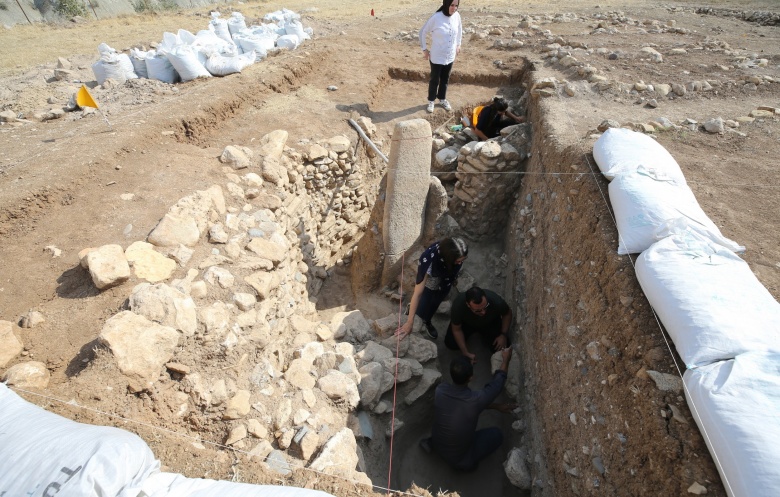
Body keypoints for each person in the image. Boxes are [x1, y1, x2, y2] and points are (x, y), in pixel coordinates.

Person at [421, 348, 513, 471]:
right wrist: (506, 359)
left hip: (438, 442)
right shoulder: (475, 400)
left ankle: (430, 443)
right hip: (459, 459)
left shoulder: (440, 390)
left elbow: (471, 404)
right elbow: (497, 384)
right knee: (497, 435)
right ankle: (465, 466)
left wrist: (496, 406)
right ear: (470, 378)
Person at [396, 237, 468, 340]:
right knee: (424, 301)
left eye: (462, 260)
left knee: (436, 301)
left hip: (446, 278)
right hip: (432, 277)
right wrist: (409, 322)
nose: (460, 263)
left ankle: (427, 321)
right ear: (448, 258)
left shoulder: (455, 251)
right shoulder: (429, 260)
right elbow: (418, 294)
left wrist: (452, 277)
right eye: (458, 261)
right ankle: (413, 311)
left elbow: (455, 266)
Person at [445, 286, 512, 364]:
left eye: (485, 307)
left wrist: (503, 334)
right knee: (451, 343)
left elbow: (507, 314)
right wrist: (465, 352)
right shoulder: (458, 306)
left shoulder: (495, 301)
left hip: (490, 322)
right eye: (478, 310)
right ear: (468, 305)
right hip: (467, 324)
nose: (483, 312)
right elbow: (456, 329)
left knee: (502, 346)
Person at [419, 0, 463, 114]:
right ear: (446, 4)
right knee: (435, 79)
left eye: (456, 6)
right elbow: (422, 32)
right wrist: (424, 49)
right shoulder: (436, 17)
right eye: (452, 5)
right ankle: (431, 101)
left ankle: (442, 99)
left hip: (450, 55)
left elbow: (459, 30)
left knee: (445, 79)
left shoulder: (457, 16)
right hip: (437, 56)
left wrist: (458, 44)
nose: (454, 8)